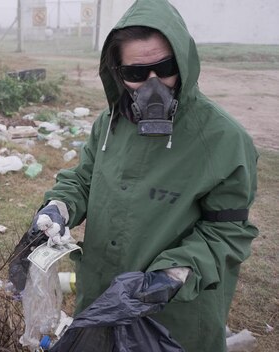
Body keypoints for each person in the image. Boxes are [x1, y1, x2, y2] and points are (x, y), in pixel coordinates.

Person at [30, 0, 258, 350]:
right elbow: (84, 179)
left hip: (172, 316)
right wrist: (60, 207)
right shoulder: (109, 125)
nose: (153, 85)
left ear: (184, 61)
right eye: (136, 74)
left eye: (164, 67)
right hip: (100, 297)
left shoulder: (224, 140)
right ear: (118, 73)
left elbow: (228, 230)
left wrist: (173, 275)